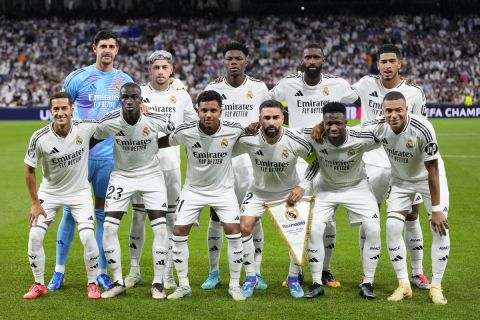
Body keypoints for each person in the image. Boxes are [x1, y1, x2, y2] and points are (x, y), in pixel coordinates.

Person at [48, 30, 134, 291]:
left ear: (117, 50)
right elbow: (61, 112)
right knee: (70, 214)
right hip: (78, 158)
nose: (107, 50)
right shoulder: (78, 78)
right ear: (94, 48)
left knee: (101, 214)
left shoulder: (125, 81)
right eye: (102, 46)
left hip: (109, 159)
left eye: (112, 46)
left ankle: (99, 273)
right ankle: (58, 271)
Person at [269, 43, 357, 288]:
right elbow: (268, 102)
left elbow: (355, 97)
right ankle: (294, 271)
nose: (312, 60)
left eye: (316, 56)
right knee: (297, 217)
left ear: (323, 59)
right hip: (298, 159)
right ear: (301, 59)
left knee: (328, 220)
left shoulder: (338, 85)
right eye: (308, 56)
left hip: (328, 159)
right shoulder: (287, 84)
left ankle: (325, 270)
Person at [352, 44, 430, 289]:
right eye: (382, 61)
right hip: (371, 162)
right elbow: (338, 95)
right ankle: (367, 274)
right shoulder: (365, 84)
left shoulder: (414, 93)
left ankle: (417, 272)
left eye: (391, 61)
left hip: (405, 164)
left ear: (400, 64)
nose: (387, 66)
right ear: (377, 65)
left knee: (412, 216)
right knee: (369, 217)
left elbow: (422, 129)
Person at [362, 91, 449, 304]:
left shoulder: (423, 128)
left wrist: (436, 209)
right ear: (383, 111)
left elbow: (433, 170)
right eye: (388, 110)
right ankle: (404, 284)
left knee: (439, 226)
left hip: (429, 179)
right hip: (400, 180)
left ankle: (436, 286)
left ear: (406, 109)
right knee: (392, 227)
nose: (393, 115)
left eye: (398, 110)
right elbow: (350, 133)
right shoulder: (379, 126)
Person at [92, 83, 175, 299]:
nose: (129, 100)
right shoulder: (110, 121)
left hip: (151, 176)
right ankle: (118, 281)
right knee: (109, 228)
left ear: (141, 100)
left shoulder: (154, 118)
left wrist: (157, 146)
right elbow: (91, 138)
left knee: (159, 229)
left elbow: (177, 134)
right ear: (120, 99)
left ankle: (157, 283)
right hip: (121, 176)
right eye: (125, 97)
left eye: (134, 97)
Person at [160, 90, 245, 301]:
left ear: (220, 111)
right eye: (204, 110)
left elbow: (254, 138)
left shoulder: (234, 130)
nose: (208, 114)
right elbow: (162, 142)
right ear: (197, 111)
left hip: (223, 191)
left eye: (213, 110)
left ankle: (234, 285)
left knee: (234, 231)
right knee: (178, 232)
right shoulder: (185, 131)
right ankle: (184, 285)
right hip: (193, 191)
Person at [124, 50, 197, 290]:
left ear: (171, 70)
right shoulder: (138, 94)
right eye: (156, 68)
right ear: (149, 70)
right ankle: (134, 271)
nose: (160, 72)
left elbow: (191, 130)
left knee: (169, 220)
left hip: (170, 167)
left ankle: (166, 274)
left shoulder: (182, 96)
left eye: (164, 67)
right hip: (140, 165)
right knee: (138, 217)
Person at [202, 42, 270, 290]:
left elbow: (270, 116)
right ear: (223, 61)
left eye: (238, 58)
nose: (233, 62)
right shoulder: (213, 87)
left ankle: (257, 272)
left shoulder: (259, 88)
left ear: (246, 61)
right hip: (221, 158)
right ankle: (213, 272)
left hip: (250, 160)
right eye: (229, 58)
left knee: (253, 215)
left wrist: (257, 124)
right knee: (215, 216)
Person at [234, 100, 317, 299]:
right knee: (243, 228)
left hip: (288, 193)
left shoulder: (295, 140)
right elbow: (225, 149)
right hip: (258, 191)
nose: (271, 122)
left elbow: (316, 161)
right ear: (259, 119)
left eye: (275, 117)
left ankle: (293, 279)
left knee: (297, 236)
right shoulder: (248, 138)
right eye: (266, 118)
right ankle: (251, 277)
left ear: (283, 118)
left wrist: (302, 186)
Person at [300, 102, 381, 299]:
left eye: (338, 123)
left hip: (357, 187)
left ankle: (368, 281)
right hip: (326, 188)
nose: (333, 128)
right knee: (315, 229)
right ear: (323, 122)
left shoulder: (361, 137)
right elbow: (284, 132)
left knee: (373, 228)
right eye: (329, 123)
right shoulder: (314, 135)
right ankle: (317, 282)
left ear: (346, 122)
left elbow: (384, 130)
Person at [23, 92, 101, 299]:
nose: (60, 113)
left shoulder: (85, 127)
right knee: (34, 236)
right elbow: (29, 170)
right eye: (56, 109)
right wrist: (35, 203)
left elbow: (110, 120)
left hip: (79, 193)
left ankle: (92, 283)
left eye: (64, 108)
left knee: (87, 236)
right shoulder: (39, 138)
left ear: (71, 109)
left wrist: (141, 109)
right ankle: (38, 283)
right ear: (51, 111)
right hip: (50, 193)